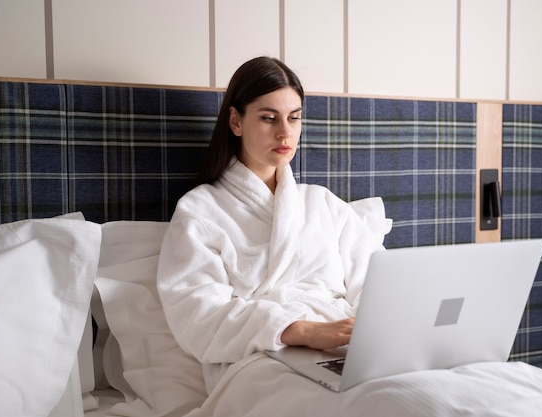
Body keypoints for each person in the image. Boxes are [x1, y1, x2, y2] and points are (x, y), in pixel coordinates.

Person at [157, 56, 384, 392]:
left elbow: (377, 283)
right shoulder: (200, 211)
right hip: (258, 354)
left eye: (294, 118)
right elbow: (197, 314)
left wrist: (369, 332)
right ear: (235, 120)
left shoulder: (323, 204)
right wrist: (299, 329)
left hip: (345, 344)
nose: (285, 132)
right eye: (268, 118)